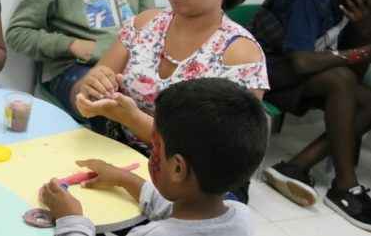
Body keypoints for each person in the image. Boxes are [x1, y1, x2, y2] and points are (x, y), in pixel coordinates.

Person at [70, 0, 268, 155]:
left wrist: (135, 120)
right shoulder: (144, 25)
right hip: (120, 154)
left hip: (189, 183)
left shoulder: (240, 57)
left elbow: (218, 155)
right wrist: (89, 88)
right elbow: (84, 98)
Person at [40, 78, 268, 236]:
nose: (152, 152)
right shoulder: (240, 215)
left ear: (178, 168)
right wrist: (125, 179)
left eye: (155, 144)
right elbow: (178, 207)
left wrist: (70, 219)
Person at [252, 0, 371, 230]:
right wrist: (365, 49)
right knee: (341, 80)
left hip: (308, 79)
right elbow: (301, 61)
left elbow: (355, 74)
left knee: (365, 96)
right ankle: (345, 185)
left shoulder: (354, 12)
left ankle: (295, 167)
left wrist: (364, 31)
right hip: (265, 72)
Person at [6, 0, 155, 131]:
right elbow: (17, 33)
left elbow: (152, 28)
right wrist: (71, 45)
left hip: (126, 67)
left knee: (162, 104)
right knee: (103, 101)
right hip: (72, 68)